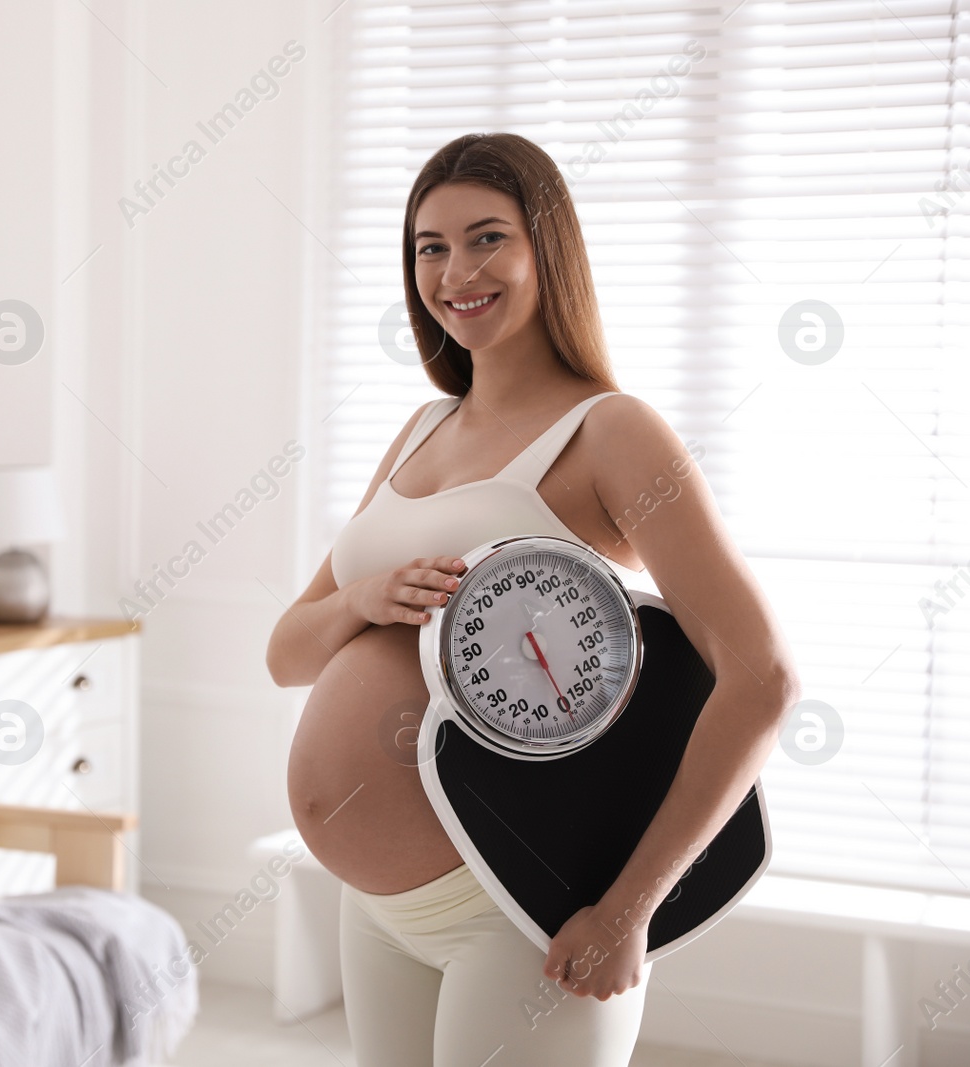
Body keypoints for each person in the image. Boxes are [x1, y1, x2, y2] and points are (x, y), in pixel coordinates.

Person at [265, 132, 801, 1067]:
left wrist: (629, 909)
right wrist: (368, 595)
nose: (453, 270)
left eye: (486, 238)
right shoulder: (421, 428)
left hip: (519, 905)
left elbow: (762, 677)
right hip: (379, 910)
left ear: (546, 248)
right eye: (429, 246)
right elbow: (288, 654)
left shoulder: (611, 430)